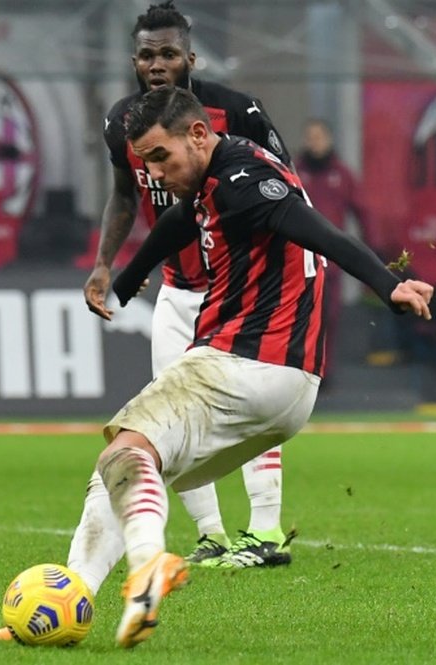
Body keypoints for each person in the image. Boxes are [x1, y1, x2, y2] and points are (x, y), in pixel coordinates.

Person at [0, 86, 434, 648]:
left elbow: (321, 231)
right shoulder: (215, 181)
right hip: (288, 388)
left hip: (241, 361)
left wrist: (389, 284)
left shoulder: (243, 182)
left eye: (160, 156)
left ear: (199, 134)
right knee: (120, 471)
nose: (153, 172)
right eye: (144, 161)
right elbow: (180, 223)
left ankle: (149, 564)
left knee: (126, 450)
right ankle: (70, 598)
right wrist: (129, 279)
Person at [83, 1, 297, 570]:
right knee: (167, 412)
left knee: (247, 404)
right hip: (177, 290)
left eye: (168, 54)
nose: (158, 64)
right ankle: (211, 534)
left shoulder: (239, 109)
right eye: (148, 55)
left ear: (190, 58)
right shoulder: (123, 123)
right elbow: (125, 196)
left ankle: (267, 529)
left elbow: (286, 189)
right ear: (134, 60)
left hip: (243, 289)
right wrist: (107, 264)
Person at [296, 118, 378, 369]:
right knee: (298, 318)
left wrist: (371, 249)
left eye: (319, 137)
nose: (315, 142)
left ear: (329, 140)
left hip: (330, 259)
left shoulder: (342, 174)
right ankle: (299, 369)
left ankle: (323, 371)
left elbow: (363, 211)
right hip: (298, 259)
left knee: (329, 317)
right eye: (310, 137)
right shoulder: (295, 172)